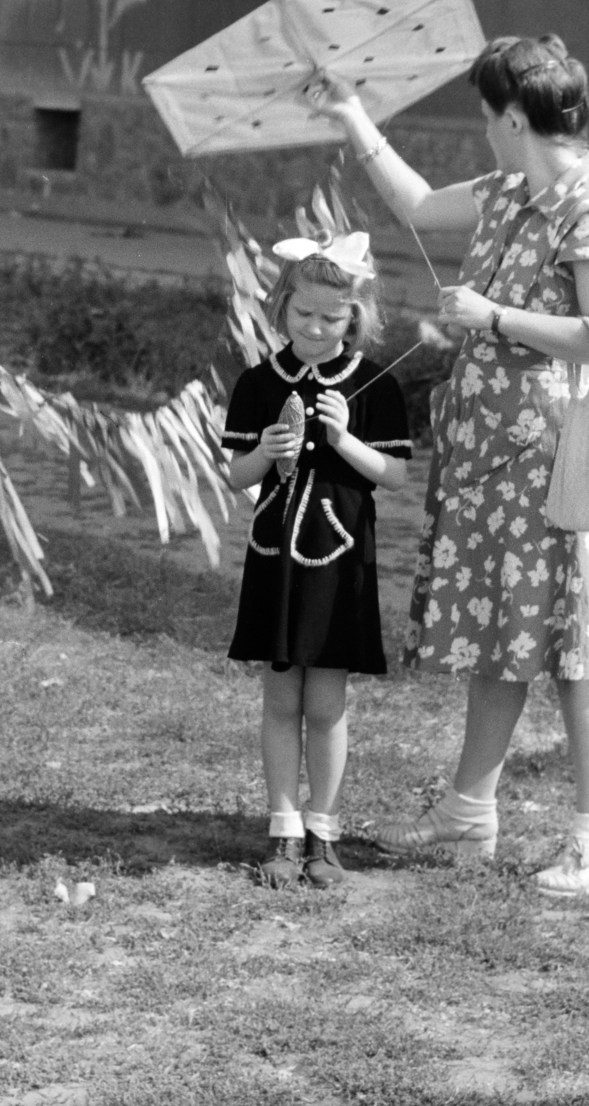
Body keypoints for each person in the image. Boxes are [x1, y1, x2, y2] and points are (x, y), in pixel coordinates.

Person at [314, 33, 589, 897]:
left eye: (489, 116)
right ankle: (468, 813)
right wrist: (350, 112)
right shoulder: (506, 193)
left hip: (553, 458)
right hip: (492, 454)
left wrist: (493, 317)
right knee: (506, 627)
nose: (484, 131)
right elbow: (416, 206)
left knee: (579, 641)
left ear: (516, 119)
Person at [223, 233, 411, 889]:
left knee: (327, 702)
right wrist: (267, 455)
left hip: (340, 561)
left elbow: (393, 474)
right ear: (282, 307)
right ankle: (282, 829)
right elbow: (234, 473)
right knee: (281, 697)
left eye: (331, 319)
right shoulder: (257, 383)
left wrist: (341, 438)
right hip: (276, 560)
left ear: (353, 316)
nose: (315, 327)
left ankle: (323, 835)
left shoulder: (373, 385)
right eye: (303, 314)